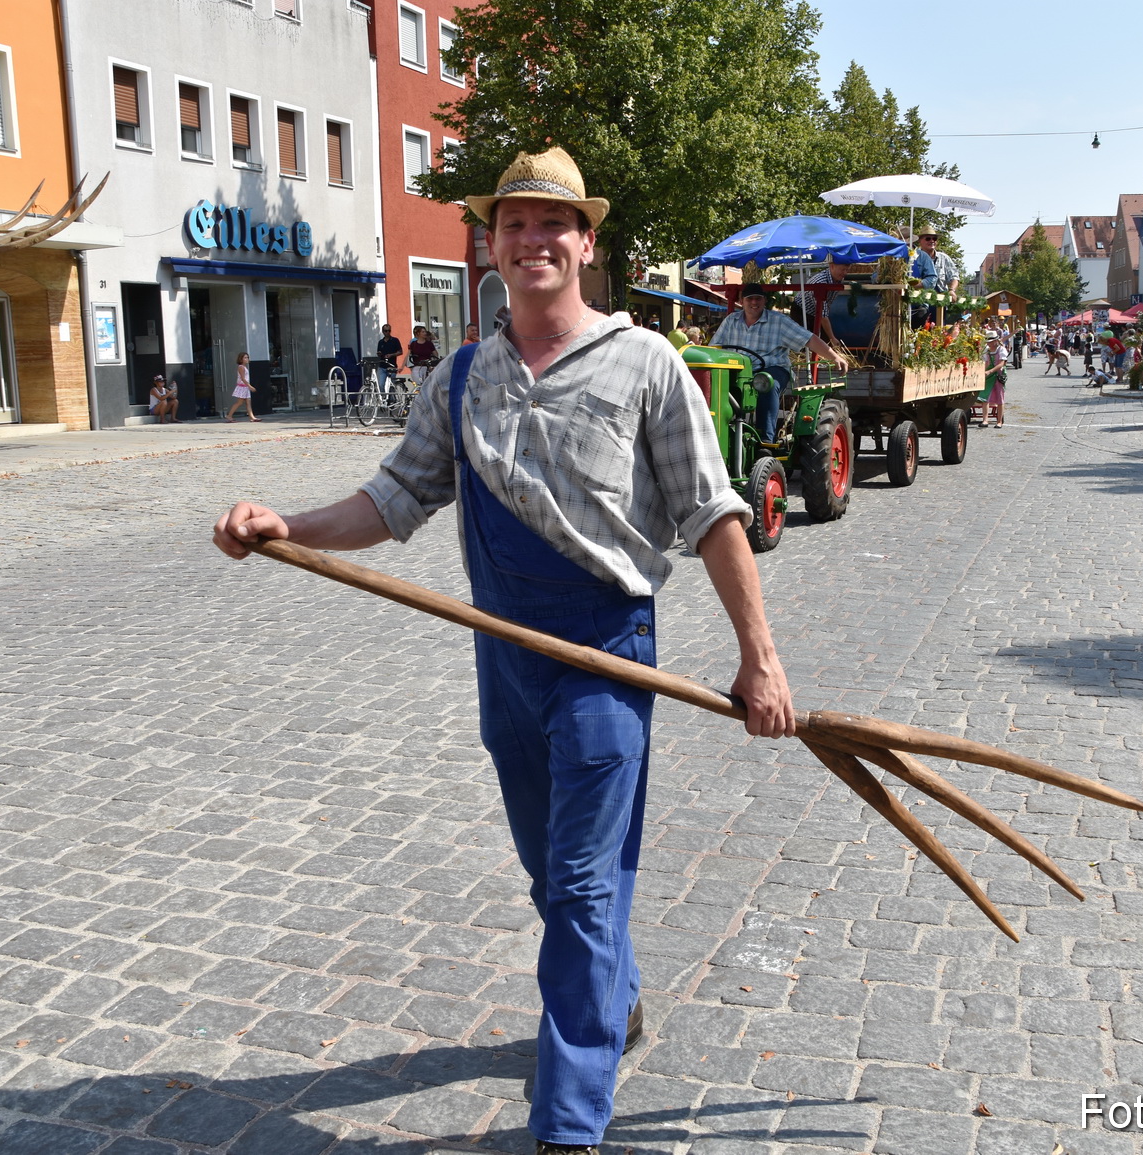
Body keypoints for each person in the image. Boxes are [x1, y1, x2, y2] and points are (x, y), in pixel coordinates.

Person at [213, 146, 794, 1155]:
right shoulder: (462, 375)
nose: (532, 240)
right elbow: (392, 501)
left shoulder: (645, 362)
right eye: (513, 224)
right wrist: (286, 525)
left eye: (551, 224)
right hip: (504, 658)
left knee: (577, 886)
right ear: (490, 243)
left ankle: (567, 1122)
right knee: (554, 879)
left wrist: (761, 657)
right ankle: (612, 994)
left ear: (585, 242)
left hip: (608, 655)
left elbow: (711, 512)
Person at [710, 286, 847, 444]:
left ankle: (766, 440)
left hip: (771, 368)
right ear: (742, 301)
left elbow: (808, 339)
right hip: (739, 371)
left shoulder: (778, 321)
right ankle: (718, 436)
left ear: (764, 301)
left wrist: (834, 357)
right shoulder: (730, 321)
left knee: (767, 384)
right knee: (715, 387)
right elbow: (715, 348)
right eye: (749, 299)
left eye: (758, 298)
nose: (754, 302)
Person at [798, 258, 849, 343]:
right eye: (842, 269)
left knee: (824, 341)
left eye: (847, 270)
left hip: (816, 312)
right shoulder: (821, 282)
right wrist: (832, 338)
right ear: (832, 266)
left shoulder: (838, 279)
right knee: (807, 342)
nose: (845, 273)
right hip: (801, 311)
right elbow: (823, 315)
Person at [224, 352, 258, 422]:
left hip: (245, 387)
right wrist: (250, 386)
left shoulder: (244, 367)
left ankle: (252, 417)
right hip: (242, 387)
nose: (247, 359)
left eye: (247, 357)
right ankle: (229, 415)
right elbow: (243, 378)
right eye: (245, 358)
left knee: (248, 402)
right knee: (239, 402)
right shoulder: (241, 367)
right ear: (241, 359)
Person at [982, 333, 1007, 426]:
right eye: (988, 342)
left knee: (1000, 398)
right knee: (985, 396)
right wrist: (983, 371)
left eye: (990, 342)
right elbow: (986, 363)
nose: (989, 344)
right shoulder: (987, 350)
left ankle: (999, 421)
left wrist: (990, 371)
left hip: (998, 375)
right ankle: (985, 420)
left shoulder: (1001, 349)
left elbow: (1001, 364)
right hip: (989, 375)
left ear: (995, 341)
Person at [375, 324, 403, 388]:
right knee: (381, 385)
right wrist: (379, 353)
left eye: (389, 331)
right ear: (383, 331)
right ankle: (383, 397)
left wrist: (391, 355)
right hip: (382, 366)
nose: (387, 332)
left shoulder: (395, 340)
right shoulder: (381, 342)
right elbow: (379, 352)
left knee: (392, 386)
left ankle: (392, 397)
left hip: (392, 366)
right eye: (386, 331)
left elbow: (400, 352)